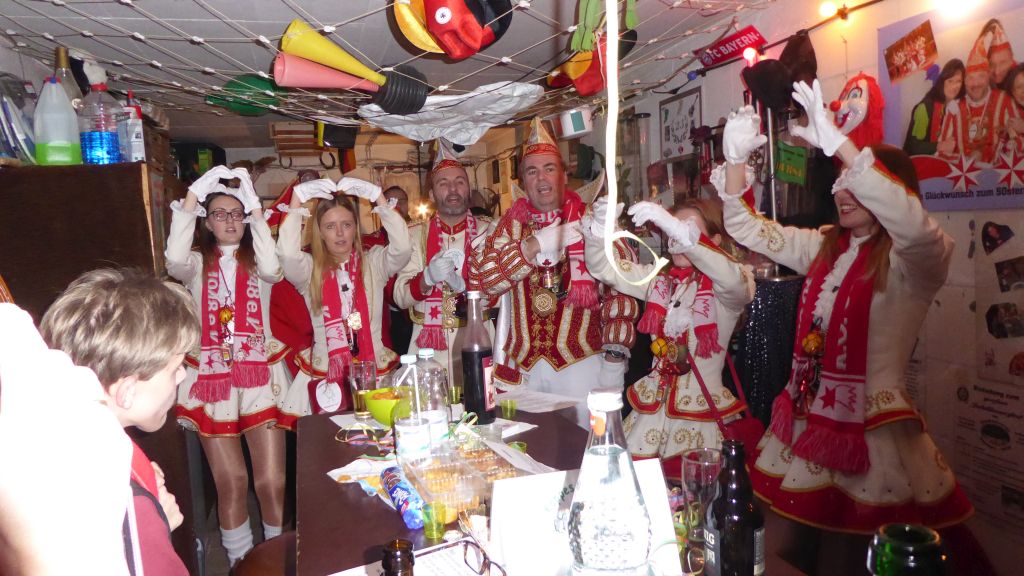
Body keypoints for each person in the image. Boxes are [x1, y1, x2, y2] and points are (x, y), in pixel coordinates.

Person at [722, 88, 974, 573]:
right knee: (788, 555)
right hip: (807, 422)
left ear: (889, 191)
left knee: (853, 560)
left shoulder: (917, 260)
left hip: (872, 436)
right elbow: (748, 229)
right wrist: (734, 161)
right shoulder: (825, 246)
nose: (841, 191)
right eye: (839, 181)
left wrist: (841, 143)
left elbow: (913, 225)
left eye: (855, 182)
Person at [473, 118, 639, 426]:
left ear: (564, 175)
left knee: (586, 445)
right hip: (522, 370)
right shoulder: (509, 227)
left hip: (582, 365)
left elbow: (621, 293)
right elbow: (483, 282)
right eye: (531, 171)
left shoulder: (594, 222)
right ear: (523, 180)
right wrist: (531, 246)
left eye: (549, 168)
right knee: (526, 447)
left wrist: (613, 364)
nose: (541, 178)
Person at [164, 165, 289, 565]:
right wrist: (192, 196)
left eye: (237, 213)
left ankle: (274, 560)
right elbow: (173, 260)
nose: (230, 221)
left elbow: (272, 270)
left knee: (271, 481)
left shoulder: (259, 259)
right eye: (220, 214)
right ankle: (242, 565)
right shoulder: (196, 263)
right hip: (212, 378)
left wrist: (257, 210)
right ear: (207, 222)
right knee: (231, 482)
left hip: (260, 375)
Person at [39, 268, 198, 576]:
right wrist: (154, 525)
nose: (183, 375)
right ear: (127, 392)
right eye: (175, 368)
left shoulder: (67, 434)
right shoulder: (127, 505)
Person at [582, 194, 754, 457]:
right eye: (672, 228)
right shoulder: (660, 282)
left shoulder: (727, 289)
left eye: (686, 229)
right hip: (651, 415)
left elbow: (732, 280)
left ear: (715, 240)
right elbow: (604, 268)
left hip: (701, 419)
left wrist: (678, 229)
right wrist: (599, 229)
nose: (676, 237)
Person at [277, 175, 411, 426]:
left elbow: (402, 249)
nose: (339, 233)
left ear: (355, 227)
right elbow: (286, 255)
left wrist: (379, 199)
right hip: (327, 375)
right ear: (319, 231)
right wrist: (296, 201)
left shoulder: (374, 262)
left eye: (346, 224)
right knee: (332, 446)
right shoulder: (309, 269)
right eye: (330, 226)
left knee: (377, 442)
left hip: (374, 370)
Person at [394, 140, 495, 388]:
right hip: (426, 351)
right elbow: (400, 297)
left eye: (459, 182)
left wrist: (468, 289)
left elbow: (500, 293)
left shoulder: (490, 231)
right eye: (443, 183)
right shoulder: (413, 234)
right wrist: (426, 278)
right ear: (431, 194)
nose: (452, 189)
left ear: (468, 189)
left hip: (478, 342)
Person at [938, 28, 1016, 164]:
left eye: (981, 76)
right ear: (964, 81)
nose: (975, 83)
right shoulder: (954, 109)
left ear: (988, 78)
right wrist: (967, 162)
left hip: (1000, 176)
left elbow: (1019, 143)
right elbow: (942, 155)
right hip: (963, 176)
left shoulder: (1004, 100)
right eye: (970, 78)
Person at [903, 59, 964, 156]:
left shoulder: (956, 105)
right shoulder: (925, 108)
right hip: (918, 162)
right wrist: (940, 145)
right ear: (942, 82)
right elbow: (913, 146)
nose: (954, 86)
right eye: (950, 81)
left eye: (958, 81)